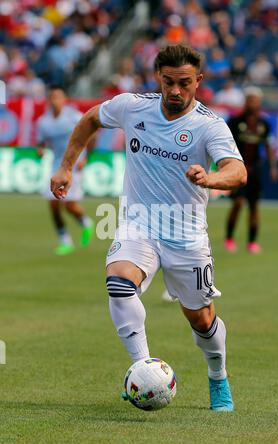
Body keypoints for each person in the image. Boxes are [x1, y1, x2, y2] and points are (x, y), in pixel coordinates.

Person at [51, 45, 247, 411]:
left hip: (187, 238)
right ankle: (144, 367)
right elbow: (91, 118)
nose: (175, 91)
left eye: (184, 83)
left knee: (201, 320)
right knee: (119, 283)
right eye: (168, 82)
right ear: (158, 77)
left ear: (198, 82)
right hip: (137, 227)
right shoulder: (133, 106)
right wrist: (66, 166)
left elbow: (238, 171)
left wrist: (211, 177)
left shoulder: (209, 126)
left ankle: (218, 376)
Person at [36, 85, 94, 255]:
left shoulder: (74, 117)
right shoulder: (43, 122)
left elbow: (92, 133)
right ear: (48, 100)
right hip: (56, 166)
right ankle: (64, 240)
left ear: (64, 99)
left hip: (74, 164)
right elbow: (41, 142)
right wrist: (39, 150)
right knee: (53, 204)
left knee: (70, 205)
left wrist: (85, 157)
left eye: (58, 97)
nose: (55, 101)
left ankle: (85, 222)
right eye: (52, 97)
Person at [224, 87, 278, 254]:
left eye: (255, 100)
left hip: (255, 170)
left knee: (254, 206)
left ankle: (252, 242)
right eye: (250, 100)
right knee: (238, 203)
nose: (252, 103)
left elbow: (268, 146)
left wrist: (273, 167)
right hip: (237, 168)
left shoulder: (264, 124)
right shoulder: (234, 121)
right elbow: (225, 145)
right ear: (245, 102)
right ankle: (229, 238)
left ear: (259, 102)